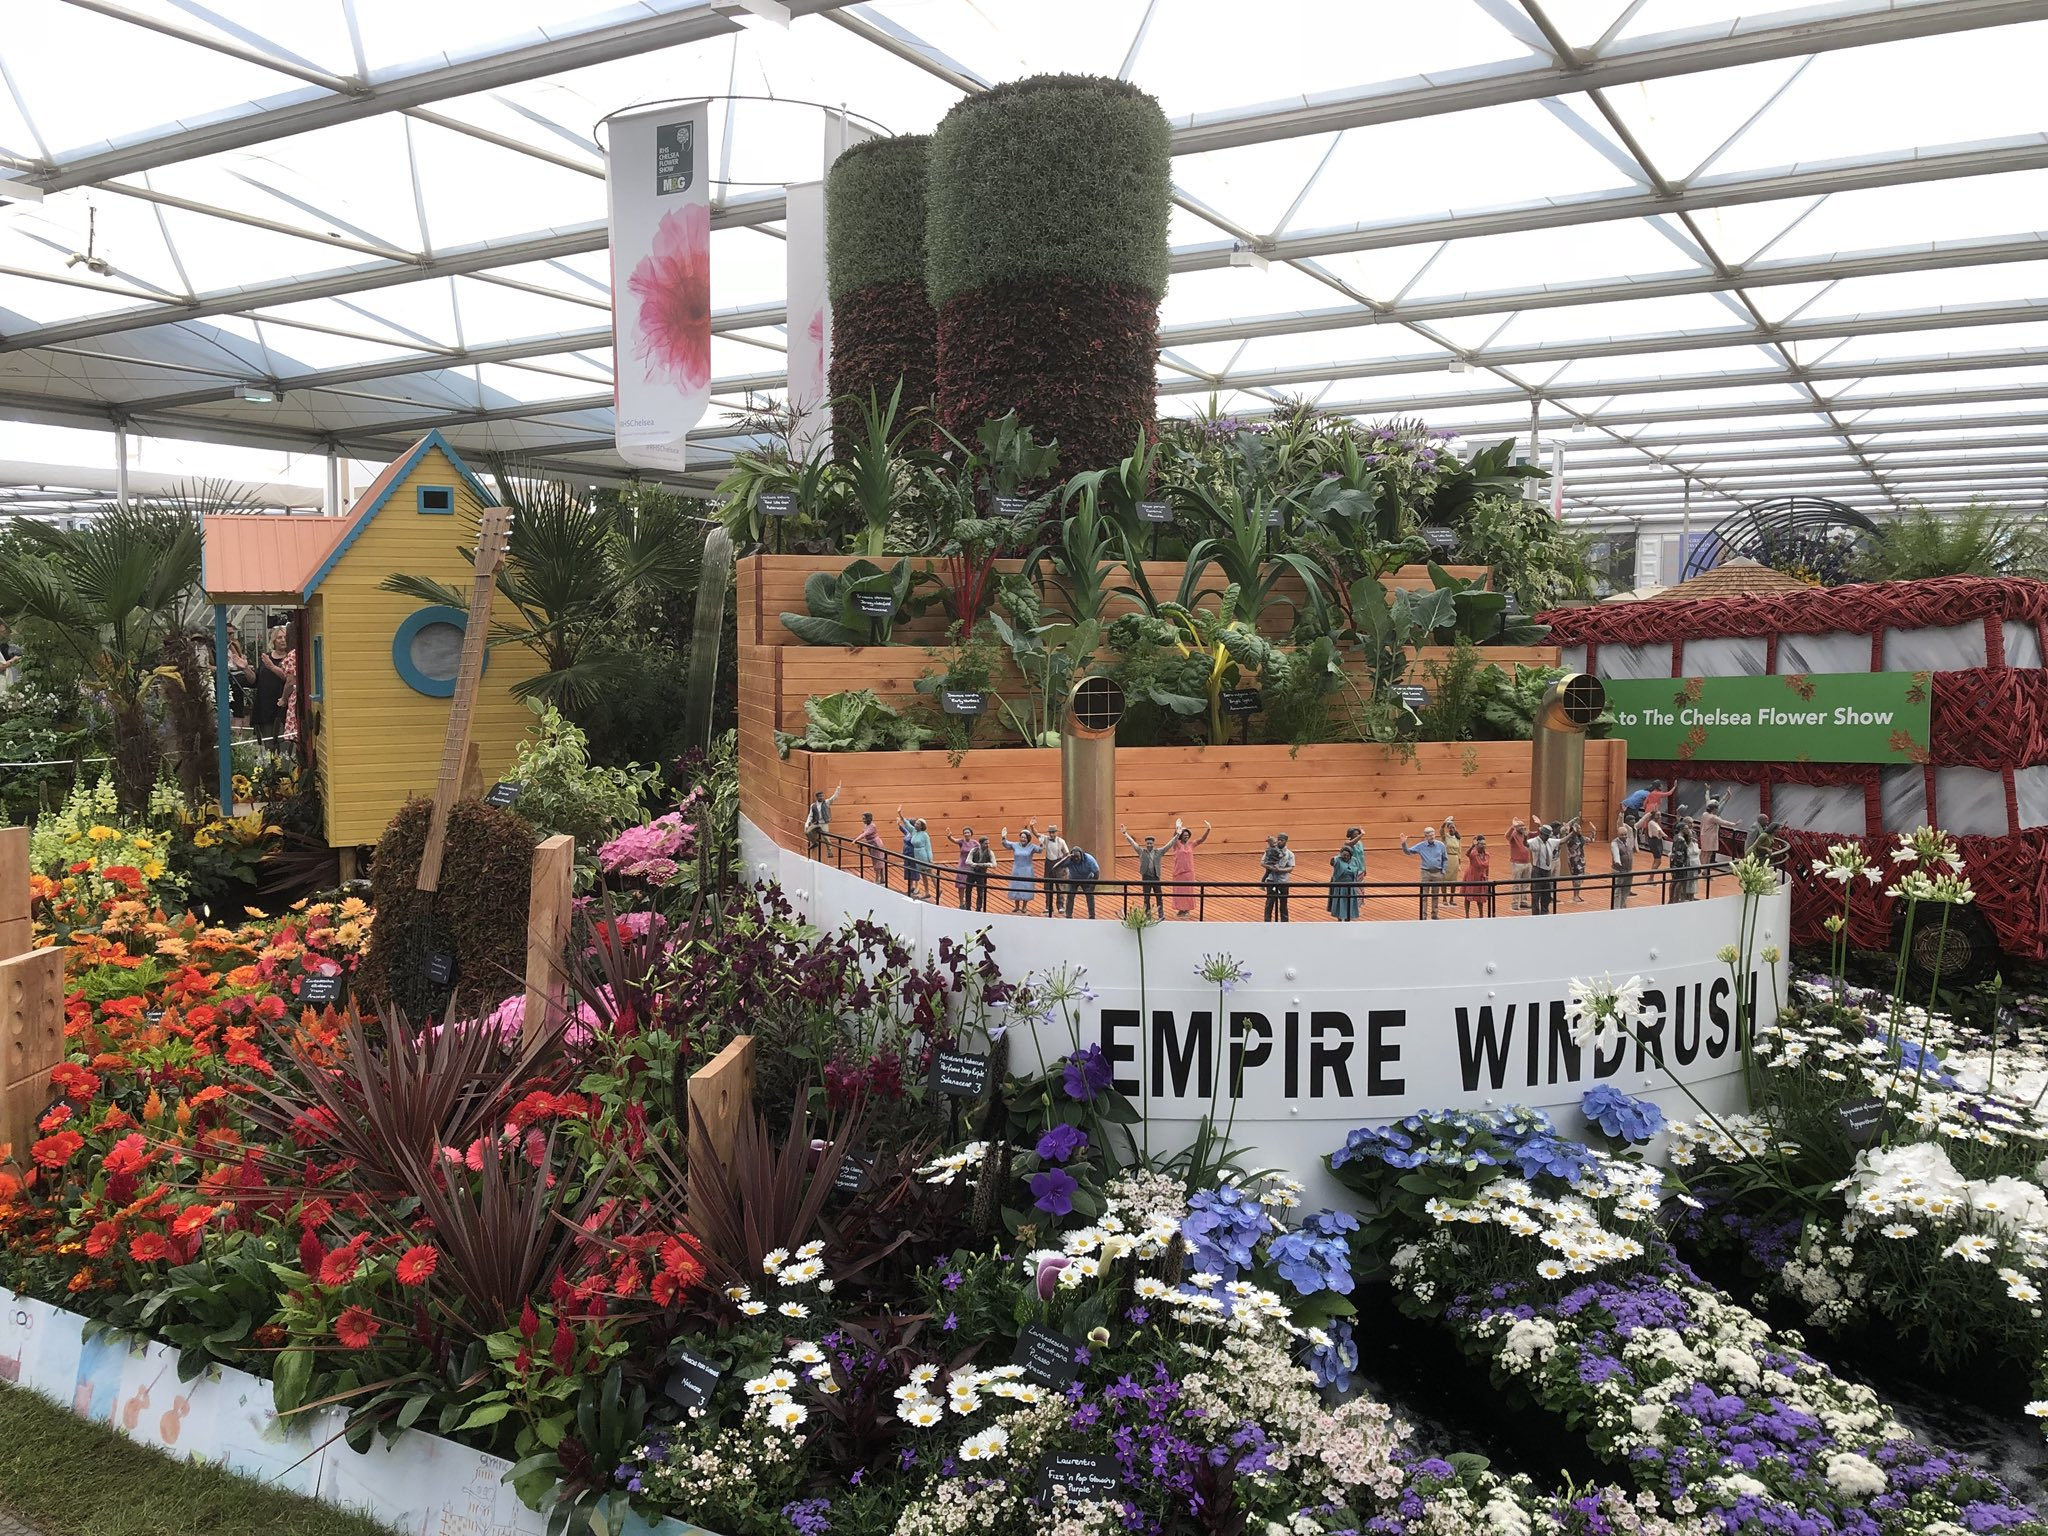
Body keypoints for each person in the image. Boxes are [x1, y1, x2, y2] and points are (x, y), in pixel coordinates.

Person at [254, 621, 294, 748]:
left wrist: (272, 667)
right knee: (269, 746)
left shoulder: (291, 656)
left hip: (283, 706)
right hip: (266, 707)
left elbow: (289, 678)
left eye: (285, 637)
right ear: (273, 640)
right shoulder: (266, 658)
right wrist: (245, 669)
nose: (283, 640)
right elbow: (256, 679)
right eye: (279, 637)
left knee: (284, 745)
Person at [1400, 824, 1450, 919]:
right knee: (1424, 895)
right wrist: (1404, 844)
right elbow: (1408, 851)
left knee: (1435, 895)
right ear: (1426, 837)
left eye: (1433, 834)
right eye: (1429, 835)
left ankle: (1434, 915)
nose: (1432, 837)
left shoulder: (1441, 845)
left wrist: (1443, 871)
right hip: (1426, 872)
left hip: (1437, 872)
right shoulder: (1421, 846)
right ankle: (1423, 915)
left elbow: (1445, 859)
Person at [1168, 819, 1212, 919]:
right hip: (1178, 872)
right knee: (1179, 891)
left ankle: (1187, 909)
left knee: (1188, 891)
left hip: (1189, 873)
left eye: (1187, 835)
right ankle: (1180, 909)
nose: (1186, 836)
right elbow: (1173, 838)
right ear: (1181, 836)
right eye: (1184, 835)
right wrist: (1177, 828)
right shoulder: (1177, 844)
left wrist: (1208, 829)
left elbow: (1201, 839)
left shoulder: (1191, 844)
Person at [1122, 824, 1167, 919]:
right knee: (1146, 897)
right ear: (1146, 844)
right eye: (1148, 843)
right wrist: (1125, 834)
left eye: (1151, 843)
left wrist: (1177, 835)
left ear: (1153, 844)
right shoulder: (1142, 852)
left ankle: (1161, 914)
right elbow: (1133, 843)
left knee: (1159, 896)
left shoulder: (1158, 852)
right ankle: (1147, 915)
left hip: (1156, 877)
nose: (1149, 845)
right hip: (1146, 877)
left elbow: (1169, 845)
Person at [1327, 827, 1365, 922]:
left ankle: (1350, 915)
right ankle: (1340, 918)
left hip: (1351, 884)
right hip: (1340, 887)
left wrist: (1364, 868)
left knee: (1354, 897)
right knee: (1340, 901)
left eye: (1348, 855)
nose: (1346, 857)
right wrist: (1334, 859)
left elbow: (1362, 857)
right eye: (1344, 855)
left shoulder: (1354, 860)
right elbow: (1333, 861)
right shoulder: (1339, 859)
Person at [1000, 826, 1041, 914]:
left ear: (1028, 839)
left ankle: (1024, 906)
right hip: (1017, 869)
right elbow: (1006, 844)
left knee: (1026, 886)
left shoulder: (1031, 847)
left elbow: (1040, 850)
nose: (1023, 839)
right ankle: (1016, 906)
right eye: (1022, 837)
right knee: (1016, 886)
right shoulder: (1015, 845)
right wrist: (1003, 837)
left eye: (1025, 838)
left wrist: (1041, 842)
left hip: (1027, 870)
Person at [1058, 845, 1100, 918]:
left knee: (1090, 896)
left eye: (1077, 856)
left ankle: (1092, 915)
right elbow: (1058, 866)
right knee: (1070, 896)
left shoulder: (1089, 860)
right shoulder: (1069, 859)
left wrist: (1093, 885)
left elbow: (1096, 873)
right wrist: (1066, 858)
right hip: (1073, 879)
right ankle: (1068, 915)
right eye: (1074, 857)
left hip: (1087, 879)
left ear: (1082, 855)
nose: (1076, 859)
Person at [1261, 833, 1295, 922]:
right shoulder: (1270, 850)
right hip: (1271, 879)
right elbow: (1263, 863)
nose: (1279, 841)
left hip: (1283, 881)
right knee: (1269, 902)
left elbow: (1291, 868)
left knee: (1283, 903)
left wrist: (1280, 870)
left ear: (1286, 841)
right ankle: (1267, 922)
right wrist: (1271, 867)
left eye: (1282, 840)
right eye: (1278, 839)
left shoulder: (1289, 854)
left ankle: (1284, 922)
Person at [1528, 821, 1559, 915]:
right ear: (1541, 834)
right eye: (1546, 835)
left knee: (1547, 894)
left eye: (1548, 835)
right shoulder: (1534, 841)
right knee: (1536, 895)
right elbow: (1526, 844)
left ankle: (1545, 912)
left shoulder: (1550, 841)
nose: (1547, 837)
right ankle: (1535, 915)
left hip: (1547, 871)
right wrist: (1524, 837)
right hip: (1537, 870)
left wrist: (1572, 833)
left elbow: (1562, 841)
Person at [1460, 833, 1493, 918]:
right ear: (1477, 844)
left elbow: (1487, 867)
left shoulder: (1487, 855)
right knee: (1468, 896)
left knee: (1480, 897)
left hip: (1481, 877)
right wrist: (1472, 846)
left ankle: (1481, 915)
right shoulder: (1473, 853)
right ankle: (1467, 915)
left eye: (1484, 844)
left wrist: (1487, 877)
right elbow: (1467, 853)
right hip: (1472, 876)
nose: (1483, 846)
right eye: (1481, 844)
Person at [803, 784, 842, 855]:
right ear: (817, 797)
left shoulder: (826, 802)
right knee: (807, 832)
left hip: (824, 823)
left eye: (822, 796)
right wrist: (807, 823)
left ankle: (829, 850)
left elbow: (834, 797)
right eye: (820, 796)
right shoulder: (813, 805)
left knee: (826, 837)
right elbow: (810, 815)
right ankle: (814, 843)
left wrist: (838, 789)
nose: (822, 797)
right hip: (816, 822)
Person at [1697, 794, 1725, 894]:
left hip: (1705, 834)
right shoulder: (1713, 816)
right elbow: (1724, 821)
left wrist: (1707, 791)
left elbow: (1708, 800)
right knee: (1707, 854)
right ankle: (1704, 870)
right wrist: (1734, 824)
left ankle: (1702, 869)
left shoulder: (1705, 814)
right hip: (1710, 836)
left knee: (1705, 853)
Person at [1041, 824, 1070, 919]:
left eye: (1053, 832)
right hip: (1048, 863)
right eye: (1050, 832)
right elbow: (1037, 835)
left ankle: (1060, 906)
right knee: (1047, 885)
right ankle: (1048, 906)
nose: (1051, 834)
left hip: (1058, 863)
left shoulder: (1061, 841)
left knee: (1060, 886)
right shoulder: (1046, 839)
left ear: (1056, 832)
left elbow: (1067, 853)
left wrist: (1063, 863)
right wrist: (1032, 827)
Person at [947, 827, 979, 907]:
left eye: (968, 832)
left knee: (968, 885)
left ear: (971, 834)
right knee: (961, 886)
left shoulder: (975, 843)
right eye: (965, 833)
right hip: (962, 865)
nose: (966, 834)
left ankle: (968, 903)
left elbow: (981, 850)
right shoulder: (961, 841)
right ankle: (961, 903)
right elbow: (954, 840)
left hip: (970, 866)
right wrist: (949, 836)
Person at [896, 808, 923, 899]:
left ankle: (917, 886)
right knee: (908, 869)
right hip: (907, 854)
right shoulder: (908, 832)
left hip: (913, 854)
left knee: (915, 869)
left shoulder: (916, 834)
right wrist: (899, 824)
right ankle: (910, 886)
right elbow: (903, 829)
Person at [1506, 817, 1532, 911]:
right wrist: (1512, 826)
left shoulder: (1526, 834)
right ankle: (1515, 903)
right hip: (1517, 863)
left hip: (1527, 862)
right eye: (1520, 826)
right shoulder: (1513, 835)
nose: (1522, 827)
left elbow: (1535, 834)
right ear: (1516, 827)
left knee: (1526, 884)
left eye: (1523, 826)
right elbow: (1507, 836)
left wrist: (1539, 825)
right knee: (1516, 884)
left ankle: (1524, 902)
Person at [854, 812, 886, 882]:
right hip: (871, 844)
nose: (863, 820)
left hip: (876, 844)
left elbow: (865, 834)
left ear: (868, 819)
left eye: (864, 818)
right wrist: (858, 840)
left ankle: (878, 878)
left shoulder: (872, 826)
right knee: (876, 860)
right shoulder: (866, 825)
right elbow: (863, 832)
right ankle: (882, 877)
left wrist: (856, 840)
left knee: (878, 860)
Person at [1610, 822, 1635, 908]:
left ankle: (1622, 906)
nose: (1624, 836)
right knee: (1617, 890)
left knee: (1626, 889)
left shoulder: (1628, 841)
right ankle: (1616, 908)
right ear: (1618, 834)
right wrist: (1617, 861)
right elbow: (1616, 853)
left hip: (1629, 870)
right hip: (1619, 871)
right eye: (1622, 835)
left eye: (1625, 834)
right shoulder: (1614, 843)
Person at [1672, 821, 1698, 902]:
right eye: (1686, 828)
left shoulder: (1677, 837)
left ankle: (1675, 899)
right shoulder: (1680, 839)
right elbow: (1679, 853)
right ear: (1681, 829)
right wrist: (1682, 864)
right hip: (1680, 863)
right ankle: (1676, 899)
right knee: (1679, 882)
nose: (1688, 829)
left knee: (1677, 882)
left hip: (1677, 862)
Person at [967, 836, 995, 910]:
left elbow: (994, 864)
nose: (987, 845)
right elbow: (968, 861)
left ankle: (978, 908)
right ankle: (968, 906)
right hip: (972, 872)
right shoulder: (974, 850)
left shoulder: (990, 852)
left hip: (981, 874)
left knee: (980, 892)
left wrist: (983, 865)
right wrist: (974, 864)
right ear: (980, 843)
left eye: (988, 843)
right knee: (968, 890)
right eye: (986, 843)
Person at [1563, 817, 1587, 903]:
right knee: (1576, 878)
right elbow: (1566, 831)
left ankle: (1577, 895)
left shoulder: (1581, 837)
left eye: (1580, 828)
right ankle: (1575, 896)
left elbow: (1591, 840)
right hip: (1574, 861)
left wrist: (1594, 831)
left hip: (1581, 859)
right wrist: (1569, 828)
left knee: (1579, 878)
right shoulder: (1570, 838)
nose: (1580, 830)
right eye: (1578, 828)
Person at [1638, 810, 1669, 875]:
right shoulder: (1652, 823)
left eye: (1660, 815)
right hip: (1654, 842)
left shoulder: (1655, 822)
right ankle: (1651, 877)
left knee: (1656, 860)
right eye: (1658, 815)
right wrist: (1664, 835)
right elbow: (1659, 830)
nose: (1659, 816)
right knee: (1658, 861)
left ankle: (1651, 875)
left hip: (1658, 841)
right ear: (1654, 816)